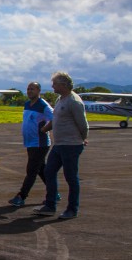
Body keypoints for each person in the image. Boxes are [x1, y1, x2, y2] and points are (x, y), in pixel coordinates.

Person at [33, 71, 89, 219]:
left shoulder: (74, 101)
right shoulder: (60, 99)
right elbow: (56, 119)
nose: (52, 86)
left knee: (71, 177)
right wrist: (45, 128)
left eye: (55, 83)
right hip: (59, 145)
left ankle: (72, 209)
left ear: (63, 84)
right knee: (49, 172)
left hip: (71, 145)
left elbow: (83, 125)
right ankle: (50, 205)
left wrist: (82, 139)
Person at [8, 82, 57, 207]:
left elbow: (55, 118)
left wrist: (45, 129)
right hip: (30, 143)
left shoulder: (43, 105)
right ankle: (54, 192)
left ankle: (21, 196)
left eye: (32, 89)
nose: (30, 91)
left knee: (31, 171)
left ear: (39, 90)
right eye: (28, 89)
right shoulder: (27, 104)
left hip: (40, 144)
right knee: (41, 169)